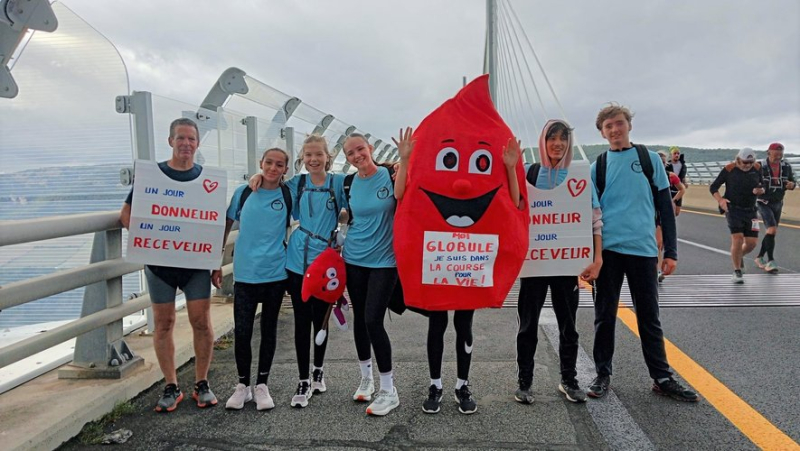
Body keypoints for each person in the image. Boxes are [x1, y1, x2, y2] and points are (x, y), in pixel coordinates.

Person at [588, 104, 698, 402]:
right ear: (602, 132)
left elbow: (665, 208)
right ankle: (602, 374)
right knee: (604, 316)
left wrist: (670, 251)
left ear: (629, 126)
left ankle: (661, 377)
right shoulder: (596, 166)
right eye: (608, 126)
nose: (614, 129)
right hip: (608, 252)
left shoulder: (648, 161)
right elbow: (589, 215)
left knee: (649, 316)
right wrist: (588, 259)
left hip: (643, 251)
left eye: (619, 123)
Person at [119, 118, 219, 412]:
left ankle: (202, 383)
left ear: (197, 143)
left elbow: (213, 226)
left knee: (201, 323)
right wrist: (149, 242)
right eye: (180, 138)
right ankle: (171, 385)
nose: (186, 144)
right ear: (170, 141)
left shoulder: (206, 179)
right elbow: (126, 214)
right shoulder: (153, 176)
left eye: (191, 139)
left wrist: (214, 262)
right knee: (164, 324)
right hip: (160, 264)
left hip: (195, 264)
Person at [249, 134, 348, 408]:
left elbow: (353, 207)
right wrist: (256, 178)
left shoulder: (338, 183)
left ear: (328, 157)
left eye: (318, 155)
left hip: (326, 262)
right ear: (302, 159)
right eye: (308, 155)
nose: (313, 160)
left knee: (322, 319)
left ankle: (319, 369)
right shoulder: (297, 184)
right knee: (302, 320)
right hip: (297, 261)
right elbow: (271, 186)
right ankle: (303, 378)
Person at [514, 120, 603, 405]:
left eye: (563, 138)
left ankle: (569, 378)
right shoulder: (530, 173)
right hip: (535, 265)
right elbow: (514, 207)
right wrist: (510, 167)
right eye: (552, 138)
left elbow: (595, 220)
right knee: (527, 325)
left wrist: (597, 257)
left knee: (569, 325)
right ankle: (524, 381)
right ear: (543, 141)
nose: (558, 143)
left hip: (567, 265)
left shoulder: (580, 173)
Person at [213, 148, 290, 411]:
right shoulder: (244, 193)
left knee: (268, 330)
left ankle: (262, 385)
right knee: (243, 331)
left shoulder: (288, 194)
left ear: (285, 170)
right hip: (245, 274)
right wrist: (216, 260)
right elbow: (225, 223)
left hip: (276, 274)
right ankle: (242, 385)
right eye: (268, 163)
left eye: (279, 164)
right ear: (261, 164)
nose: (273, 168)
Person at [341, 132, 400, 416]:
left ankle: (389, 389)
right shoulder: (349, 182)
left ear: (371, 148)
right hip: (353, 258)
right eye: (350, 153)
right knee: (360, 321)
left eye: (360, 149)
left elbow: (405, 195)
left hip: (385, 261)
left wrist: (408, 159)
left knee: (373, 319)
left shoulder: (390, 174)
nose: (356, 156)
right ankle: (366, 378)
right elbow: (344, 213)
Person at [710, 148, 765, 283]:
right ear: (738, 160)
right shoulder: (729, 169)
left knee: (752, 243)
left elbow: (763, 185)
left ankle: (739, 256)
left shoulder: (757, 167)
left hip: (751, 210)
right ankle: (737, 271)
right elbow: (713, 187)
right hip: (733, 209)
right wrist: (721, 200)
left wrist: (760, 190)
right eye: (745, 162)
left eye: (750, 162)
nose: (747, 165)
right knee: (738, 238)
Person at [754, 142, 795, 273]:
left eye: (780, 155)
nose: (778, 157)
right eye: (775, 154)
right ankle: (771, 261)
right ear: (768, 153)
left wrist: (791, 185)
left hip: (778, 202)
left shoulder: (786, 166)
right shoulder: (759, 166)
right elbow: (750, 181)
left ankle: (760, 257)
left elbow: (793, 181)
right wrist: (755, 189)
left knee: (772, 232)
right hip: (763, 201)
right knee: (771, 230)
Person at [656, 151, 686, 283]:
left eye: (663, 163)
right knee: (657, 242)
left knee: (661, 242)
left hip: (665, 210)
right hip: (653, 211)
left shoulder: (671, 176)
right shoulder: (648, 176)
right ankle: (656, 269)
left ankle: (658, 267)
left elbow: (682, 189)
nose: (661, 165)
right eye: (659, 162)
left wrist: (673, 200)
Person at [665, 146, 688, 216]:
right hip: (669, 190)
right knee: (669, 210)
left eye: (678, 153)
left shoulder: (683, 166)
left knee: (677, 212)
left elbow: (683, 177)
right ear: (671, 155)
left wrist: (685, 183)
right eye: (675, 153)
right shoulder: (667, 165)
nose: (677, 155)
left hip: (679, 190)